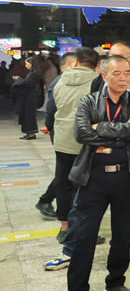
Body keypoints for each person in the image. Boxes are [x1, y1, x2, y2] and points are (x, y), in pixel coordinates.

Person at [47, 55, 130, 291]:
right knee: (83, 235)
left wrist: (100, 128)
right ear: (104, 76)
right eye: (117, 73)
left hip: (127, 178)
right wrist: (120, 130)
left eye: (127, 73)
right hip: (93, 177)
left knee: (123, 234)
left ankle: (115, 281)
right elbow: (82, 134)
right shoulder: (89, 101)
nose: (123, 78)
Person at [44, 48, 99, 253]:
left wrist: (51, 129)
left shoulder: (59, 80)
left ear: (75, 62)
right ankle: (82, 230)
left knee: (63, 183)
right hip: (87, 141)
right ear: (96, 64)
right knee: (86, 187)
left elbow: (51, 110)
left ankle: (64, 227)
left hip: (63, 139)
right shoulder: (98, 82)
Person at [35, 51, 78, 220]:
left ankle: (49, 201)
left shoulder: (68, 80)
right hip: (62, 132)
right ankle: (47, 201)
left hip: (65, 131)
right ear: (70, 64)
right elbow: (52, 109)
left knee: (68, 172)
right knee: (66, 173)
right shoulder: (61, 81)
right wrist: (49, 126)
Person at [11, 55, 47, 139]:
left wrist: (19, 80)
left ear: (31, 64)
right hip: (29, 97)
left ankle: (31, 133)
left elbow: (29, 84)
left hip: (30, 97)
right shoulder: (33, 73)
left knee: (29, 115)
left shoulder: (35, 74)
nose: (26, 65)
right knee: (26, 114)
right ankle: (28, 133)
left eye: (27, 64)